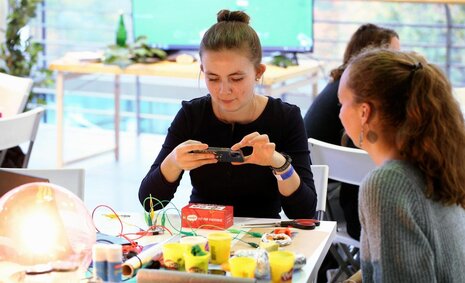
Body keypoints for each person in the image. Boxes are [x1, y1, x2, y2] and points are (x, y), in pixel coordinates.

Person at [138, 9, 317, 219]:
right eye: (213, 78)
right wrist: (173, 162)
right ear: (203, 71)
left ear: (258, 72)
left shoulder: (285, 118)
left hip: (262, 236)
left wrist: (278, 163)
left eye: (236, 78)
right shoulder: (192, 114)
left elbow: (304, 212)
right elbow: (149, 203)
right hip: (200, 232)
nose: (224, 90)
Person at [338, 48, 465, 282]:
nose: (339, 115)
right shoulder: (434, 165)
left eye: (342, 103)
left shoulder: (387, 184)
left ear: (364, 112)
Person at [304, 23, 400, 240]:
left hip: (324, 191)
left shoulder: (339, 86)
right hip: (329, 198)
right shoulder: (355, 102)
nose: (399, 64)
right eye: (394, 56)